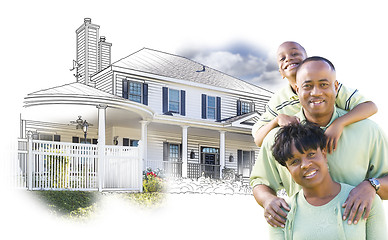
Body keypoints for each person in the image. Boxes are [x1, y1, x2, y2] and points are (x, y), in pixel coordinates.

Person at [250, 56, 388, 229]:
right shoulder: (278, 138)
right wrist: (268, 200)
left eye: (324, 84)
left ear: (336, 87)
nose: (316, 92)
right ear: (297, 89)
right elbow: (260, 182)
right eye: (307, 86)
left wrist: (371, 185)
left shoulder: (369, 131)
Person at [252, 41, 377, 154]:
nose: (288, 59)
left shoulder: (329, 88)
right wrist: (276, 120)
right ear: (281, 72)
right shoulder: (278, 101)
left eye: (294, 54)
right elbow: (258, 139)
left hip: (340, 147)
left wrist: (339, 123)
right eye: (282, 58)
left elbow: (370, 107)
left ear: (308, 61)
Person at [269, 121, 387, 239]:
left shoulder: (365, 200)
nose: (305, 165)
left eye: (311, 154)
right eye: (294, 161)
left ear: (324, 155)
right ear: (288, 170)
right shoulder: (281, 214)